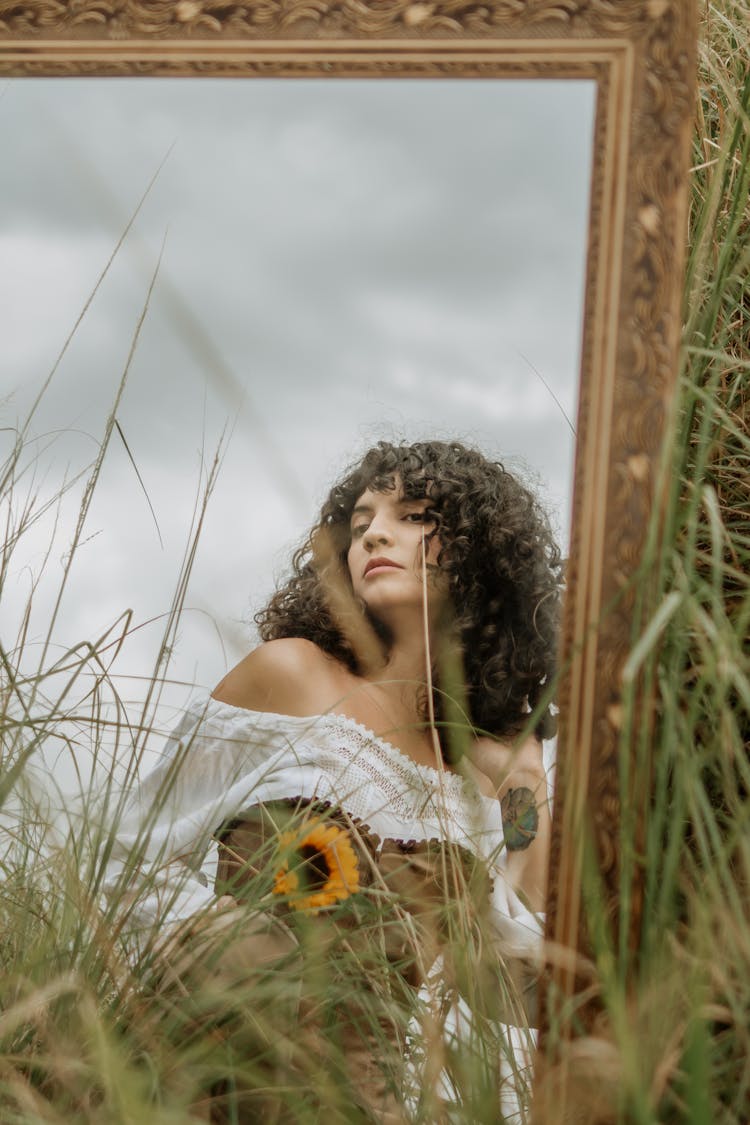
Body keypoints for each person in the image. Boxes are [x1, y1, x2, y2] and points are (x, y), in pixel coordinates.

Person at [104, 439, 562, 1123]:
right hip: (225, 1073)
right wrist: (233, 950)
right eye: (360, 523)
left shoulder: (471, 782)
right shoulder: (290, 676)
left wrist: (528, 779)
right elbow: (127, 861)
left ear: (478, 550)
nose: (374, 531)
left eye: (412, 515)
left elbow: (509, 984)